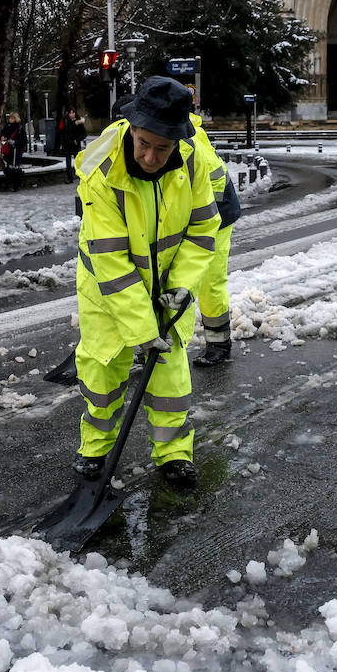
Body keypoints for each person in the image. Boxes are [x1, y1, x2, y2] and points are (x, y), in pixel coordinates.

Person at [71, 76, 222, 490]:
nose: (151, 156)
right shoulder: (102, 172)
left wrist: (183, 284)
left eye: (162, 147)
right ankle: (96, 448)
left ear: (178, 142)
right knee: (104, 370)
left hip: (168, 287)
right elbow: (112, 260)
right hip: (108, 289)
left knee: (171, 375)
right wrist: (140, 329)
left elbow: (204, 226)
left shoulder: (192, 161)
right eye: (143, 143)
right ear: (132, 128)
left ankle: (173, 453)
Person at [190, 113, 241, 366]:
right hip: (196, 213)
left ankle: (219, 344)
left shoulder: (187, 140)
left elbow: (211, 188)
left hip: (217, 214)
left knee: (209, 282)